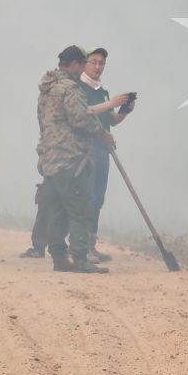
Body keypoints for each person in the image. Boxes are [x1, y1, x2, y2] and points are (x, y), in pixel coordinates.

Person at [34, 45, 131, 273]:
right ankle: (79, 258)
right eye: (84, 63)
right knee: (80, 209)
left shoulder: (47, 89)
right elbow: (81, 119)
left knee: (58, 208)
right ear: (76, 64)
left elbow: (42, 121)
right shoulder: (71, 89)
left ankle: (58, 257)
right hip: (71, 158)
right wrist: (101, 133)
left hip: (51, 157)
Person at [78, 48, 135, 262]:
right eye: (93, 62)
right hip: (86, 148)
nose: (97, 66)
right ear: (85, 63)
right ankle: (81, 246)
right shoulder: (79, 87)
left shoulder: (102, 89)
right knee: (88, 196)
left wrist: (124, 111)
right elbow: (85, 112)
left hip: (103, 148)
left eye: (101, 63)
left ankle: (91, 246)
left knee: (98, 198)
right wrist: (112, 103)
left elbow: (110, 119)